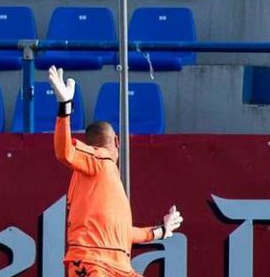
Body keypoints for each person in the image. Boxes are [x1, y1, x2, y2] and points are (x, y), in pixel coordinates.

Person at [49, 65, 183, 277]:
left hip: (119, 265)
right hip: (93, 262)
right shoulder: (101, 159)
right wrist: (64, 107)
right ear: (118, 142)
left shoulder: (103, 180)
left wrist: (161, 231)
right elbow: (63, 152)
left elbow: (124, 234)